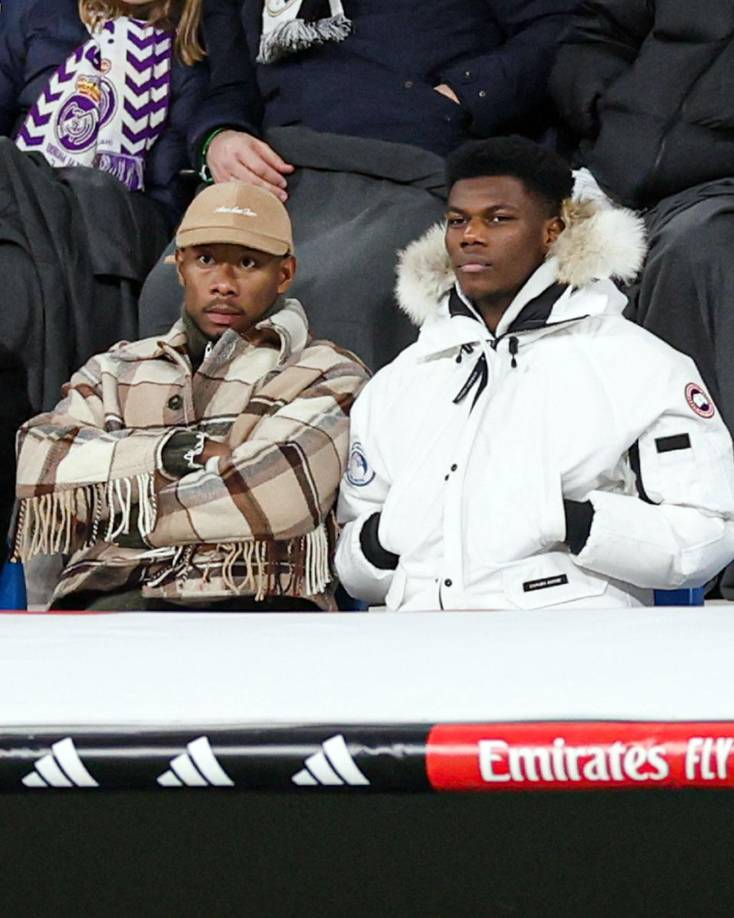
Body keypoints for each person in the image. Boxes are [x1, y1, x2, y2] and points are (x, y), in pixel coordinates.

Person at [335, 136, 734, 611]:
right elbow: (354, 562)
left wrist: (573, 522)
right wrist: (380, 540)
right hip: (419, 653)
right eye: (458, 219)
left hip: (577, 652)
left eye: (498, 219)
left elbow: (710, 532)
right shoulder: (401, 379)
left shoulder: (639, 365)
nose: (470, 236)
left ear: (553, 231)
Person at [139, 0, 577, 370]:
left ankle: (326, 463)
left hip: (412, 162)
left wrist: (460, 97)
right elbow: (230, 84)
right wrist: (221, 136)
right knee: (170, 295)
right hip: (282, 167)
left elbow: (556, 28)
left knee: (337, 297)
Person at [13, 183, 368, 611]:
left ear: (285, 273)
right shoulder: (115, 368)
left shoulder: (327, 372)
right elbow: (38, 465)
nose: (223, 283)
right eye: (205, 260)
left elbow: (273, 499)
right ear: (179, 266)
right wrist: (182, 453)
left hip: (255, 609)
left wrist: (108, 506)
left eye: (248, 263)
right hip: (105, 611)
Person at [0, 0, 208, 414]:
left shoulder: (190, 59)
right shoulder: (36, 13)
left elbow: (168, 201)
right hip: (16, 202)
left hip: (116, 220)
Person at [549, 0, 734, 438]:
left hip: (713, 191)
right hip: (607, 167)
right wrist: (602, 110)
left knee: (697, 253)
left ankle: (702, 484)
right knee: (490, 238)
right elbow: (599, 31)